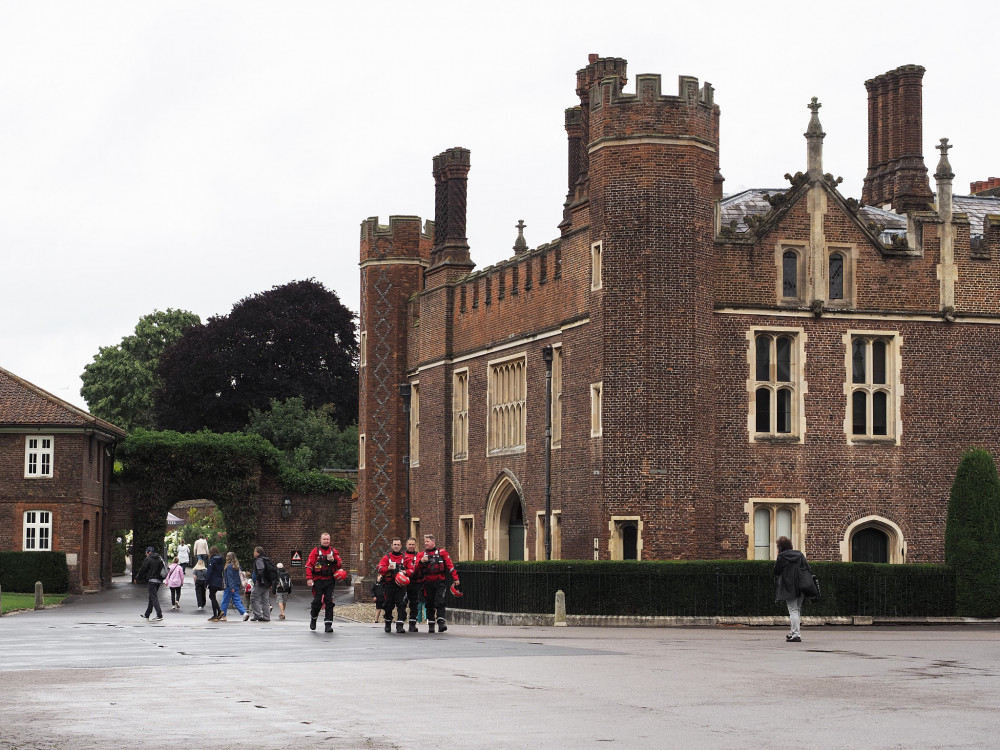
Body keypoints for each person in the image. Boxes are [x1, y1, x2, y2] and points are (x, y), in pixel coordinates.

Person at [410, 534, 459, 633]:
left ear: (433, 542)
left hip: (440, 581)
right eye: (425, 541)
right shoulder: (421, 555)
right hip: (427, 583)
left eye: (427, 541)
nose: (426, 543)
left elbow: (450, 566)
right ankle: (431, 624)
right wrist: (421, 562)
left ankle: (441, 623)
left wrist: (455, 578)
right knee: (429, 603)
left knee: (439, 601)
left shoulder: (442, 553)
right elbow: (415, 570)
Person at [305, 531, 347, 633]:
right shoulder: (315, 551)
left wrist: (333, 560)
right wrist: (309, 578)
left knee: (329, 602)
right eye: (324, 539)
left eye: (327, 539)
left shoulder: (334, 551)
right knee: (317, 601)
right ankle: (313, 618)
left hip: (329, 580)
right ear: (321, 540)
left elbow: (340, 565)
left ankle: (328, 624)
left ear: (330, 540)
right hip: (318, 580)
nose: (326, 541)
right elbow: (309, 565)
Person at [774, 536, 811, 643]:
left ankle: (796, 634)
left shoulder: (782, 557)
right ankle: (793, 632)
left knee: (793, 610)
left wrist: (778, 558)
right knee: (797, 610)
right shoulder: (800, 555)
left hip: (789, 586)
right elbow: (808, 568)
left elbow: (776, 571)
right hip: (802, 585)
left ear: (780, 547)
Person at [377, 538, 413, 633]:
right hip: (389, 585)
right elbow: (380, 568)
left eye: (398, 544)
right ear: (392, 546)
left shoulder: (406, 558)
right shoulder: (386, 557)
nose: (396, 546)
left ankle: (400, 625)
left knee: (401, 605)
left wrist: (405, 572)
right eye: (395, 544)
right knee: (388, 604)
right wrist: (387, 568)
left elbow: (412, 570)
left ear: (401, 546)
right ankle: (388, 623)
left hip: (401, 586)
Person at [219, 551, 250, 622]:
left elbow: (229, 577)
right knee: (237, 601)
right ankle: (244, 613)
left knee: (225, 601)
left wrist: (231, 587)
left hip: (229, 587)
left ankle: (223, 616)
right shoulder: (237, 566)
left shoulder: (229, 566)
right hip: (236, 586)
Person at [136, 546, 165, 622]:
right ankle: (147, 614)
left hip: (151, 581)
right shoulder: (159, 558)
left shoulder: (148, 559)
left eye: (146, 553)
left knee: (154, 598)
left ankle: (159, 615)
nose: (146, 554)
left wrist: (137, 578)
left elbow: (143, 569)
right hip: (158, 581)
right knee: (152, 597)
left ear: (148, 552)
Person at [403, 537, 422, 632]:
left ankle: (412, 624)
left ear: (415, 545)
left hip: (415, 583)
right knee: (402, 603)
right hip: (404, 584)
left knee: (414, 604)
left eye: (413, 544)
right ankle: (401, 623)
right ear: (406, 545)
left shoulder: (419, 556)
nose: (411, 546)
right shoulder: (402, 556)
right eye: (409, 544)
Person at [249, 546, 273, 622]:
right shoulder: (266, 559)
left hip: (260, 583)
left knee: (253, 598)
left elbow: (261, 570)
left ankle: (257, 615)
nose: (254, 553)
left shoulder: (259, 560)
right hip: (266, 583)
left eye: (254, 551)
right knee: (265, 600)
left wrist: (258, 579)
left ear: (258, 553)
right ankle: (266, 617)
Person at [205, 546, 225, 621]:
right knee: (212, 596)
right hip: (219, 579)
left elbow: (209, 572)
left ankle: (215, 615)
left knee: (212, 596)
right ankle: (219, 612)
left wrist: (206, 582)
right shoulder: (221, 559)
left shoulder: (212, 560)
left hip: (213, 580)